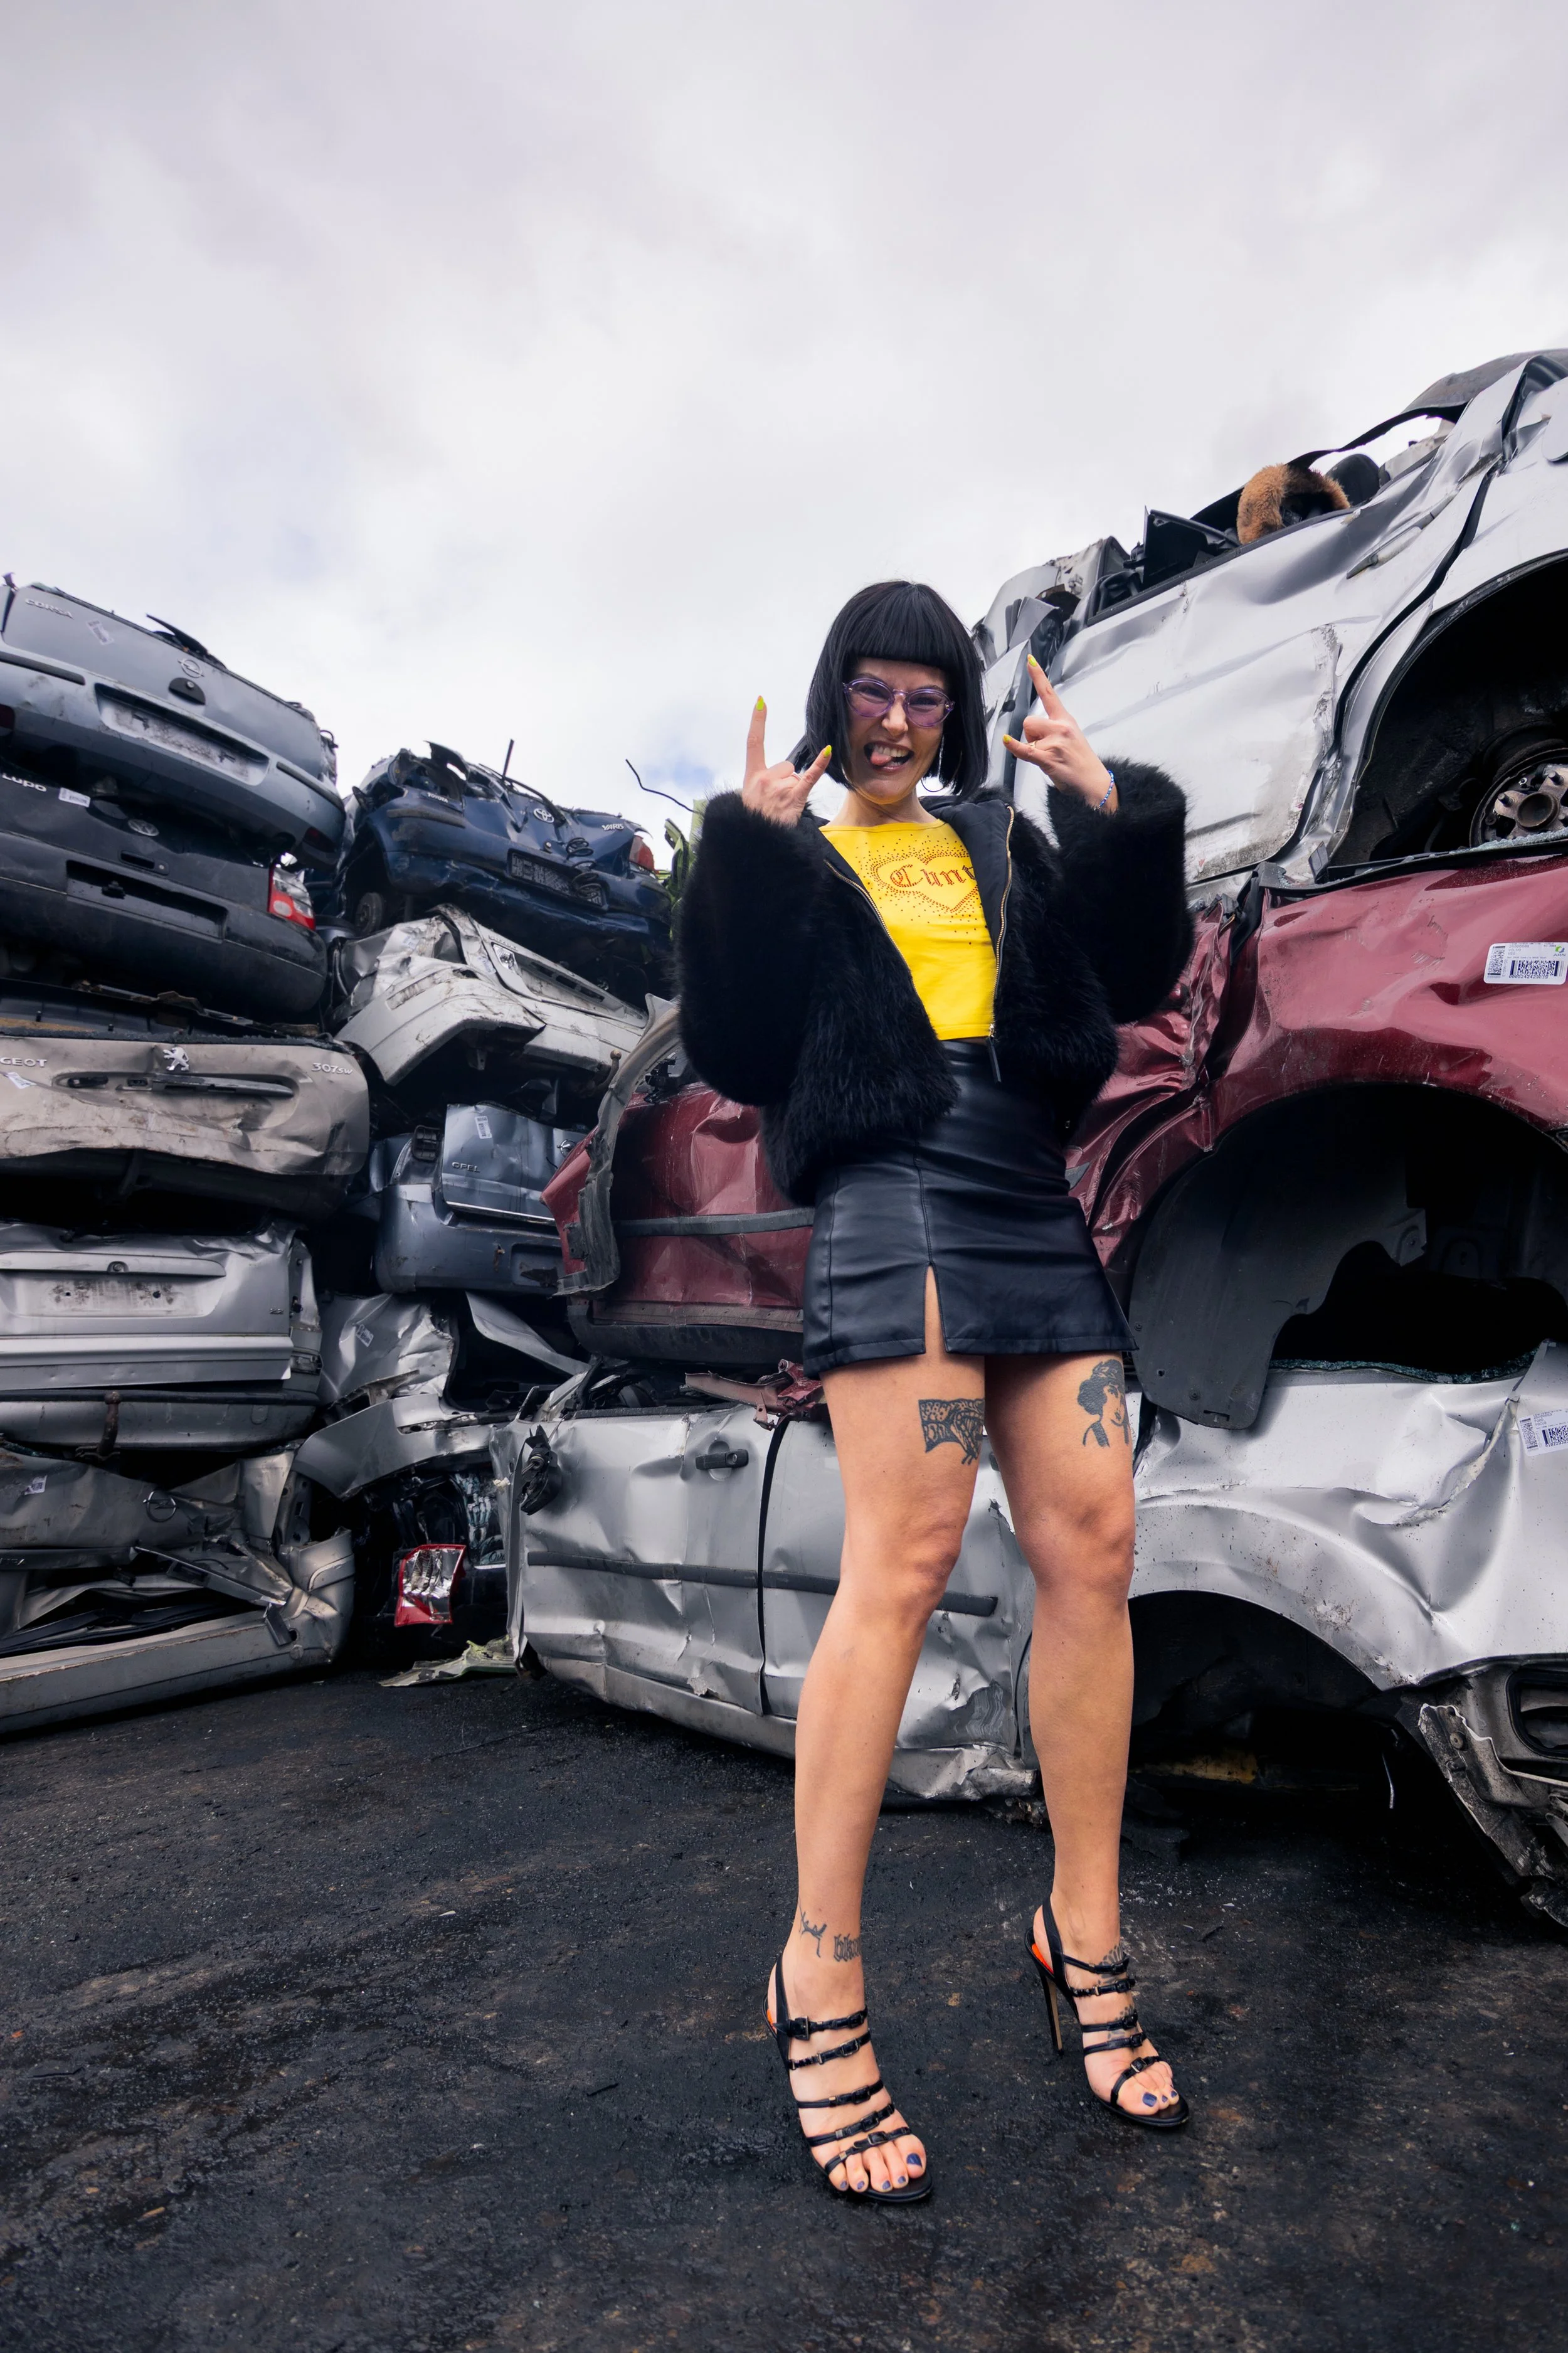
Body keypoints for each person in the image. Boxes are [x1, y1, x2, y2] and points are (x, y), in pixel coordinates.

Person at [677, 580, 1194, 2203]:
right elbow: (743, 1051)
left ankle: (1082, 1931)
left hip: (1023, 1183)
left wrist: (1112, 821)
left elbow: (1126, 980)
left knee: (1096, 1547)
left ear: (956, 715)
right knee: (897, 1567)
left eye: (925, 695)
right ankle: (817, 1970)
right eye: (870, 692)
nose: (896, 719)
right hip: (891, 1188)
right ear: (829, 704)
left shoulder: (995, 842)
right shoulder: (793, 850)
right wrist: (745, 863)